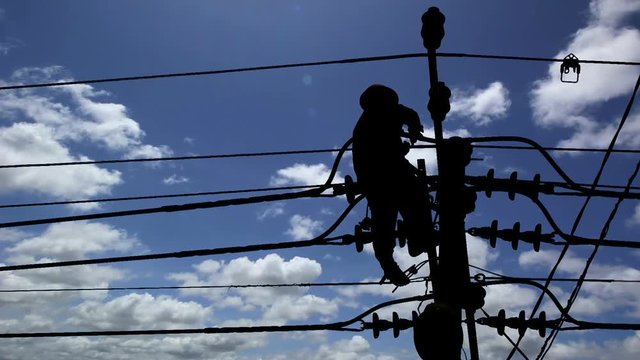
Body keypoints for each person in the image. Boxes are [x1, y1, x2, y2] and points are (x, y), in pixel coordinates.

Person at [352, 84, 433, 287]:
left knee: (386, 221)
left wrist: (408, 137)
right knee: (407, 207)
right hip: (385, 176)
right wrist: (410, 135)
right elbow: (408, 116)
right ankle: (412, 243)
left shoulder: (365, 123)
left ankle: (406, 248)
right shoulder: (384, 114)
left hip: (380, 177)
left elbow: (407, 118)